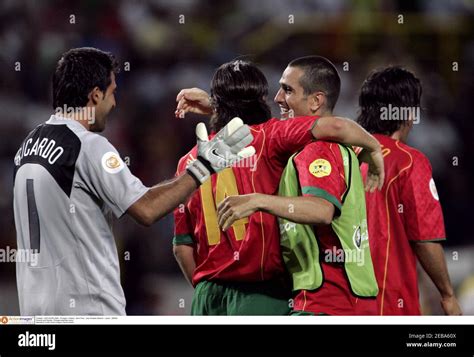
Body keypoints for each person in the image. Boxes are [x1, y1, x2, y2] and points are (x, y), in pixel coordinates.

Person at [13, 47, 254, 315]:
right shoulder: (88, 146)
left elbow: (137, 196)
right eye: (112, 92)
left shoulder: (29, 143)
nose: (114, 103)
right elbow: (146, 209)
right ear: (95, 94)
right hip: (88, 309)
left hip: (36, 314)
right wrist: (203, 168)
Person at [173, 57, 384, 315]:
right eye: (271, 94)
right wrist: (374, 147)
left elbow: (181, 246)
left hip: (206, 298)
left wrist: (206, 287)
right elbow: (336, 126)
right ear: (259, 101)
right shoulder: (270, 137)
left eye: (286, 90)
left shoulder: (187, 163)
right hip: (260, 294)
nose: (276, 100)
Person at [355, 66, 461, 315]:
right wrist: (447, 295)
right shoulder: (409, 162)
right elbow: (425, 239)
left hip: (337, 301)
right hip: (386, 301)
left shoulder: (343, 155)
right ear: (409, 112)